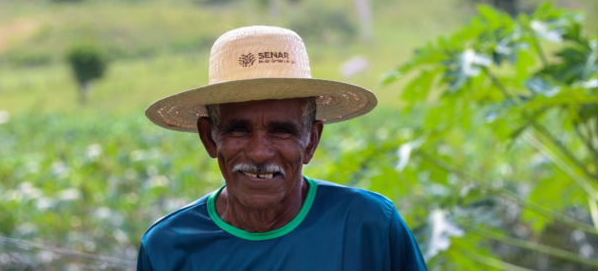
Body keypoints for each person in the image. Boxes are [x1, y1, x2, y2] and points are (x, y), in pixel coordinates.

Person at [137, 26, 427, 270]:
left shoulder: (370, 225)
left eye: (281, 131)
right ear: (210, 138)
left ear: (311, 141)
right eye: (239, 130)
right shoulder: (166, 248)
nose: (260, 153)